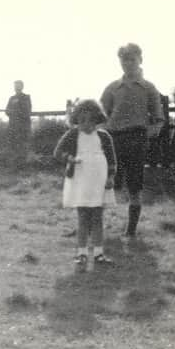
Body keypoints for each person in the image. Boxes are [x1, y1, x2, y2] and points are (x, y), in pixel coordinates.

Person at [100, 43, 165, 238]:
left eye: (132, 59)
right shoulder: (112, 87)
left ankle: (131, 230)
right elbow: (101, 115)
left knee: (134, 184)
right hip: (113, 139)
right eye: (124, 59)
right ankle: (97, 225)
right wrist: (102, 133)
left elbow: (158, 117)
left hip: (137, 139)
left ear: (140, 60)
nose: (128, 63)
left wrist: (150, 132)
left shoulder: (148, 87)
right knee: (106, 182)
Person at [54, 99, 117, 270]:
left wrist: (111, 176)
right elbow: (58, 152)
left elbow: (112, 159)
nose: (86, 124)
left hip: (98, 180)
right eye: (82, 120)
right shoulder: (73, 135)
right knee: (83, 217)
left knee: (97, 216)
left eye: (91, 120)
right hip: (80, 179)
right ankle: (81, 253)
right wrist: (70, 159)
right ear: (76, 120)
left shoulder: (104, 136)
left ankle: (98, 253)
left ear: (97, 119)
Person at [5, 80, 32, 168]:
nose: (16, 87)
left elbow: (27, 111)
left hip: (23, 126)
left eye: (18, 86)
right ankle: (13, 165)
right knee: (13, 145)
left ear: (22, 87)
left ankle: (22, 165)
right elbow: (7, 110)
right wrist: (13, 112)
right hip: (13, 125)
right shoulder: (11, 98)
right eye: (15, 86)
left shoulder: (26, 97)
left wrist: (16, 112)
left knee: (22, 145)